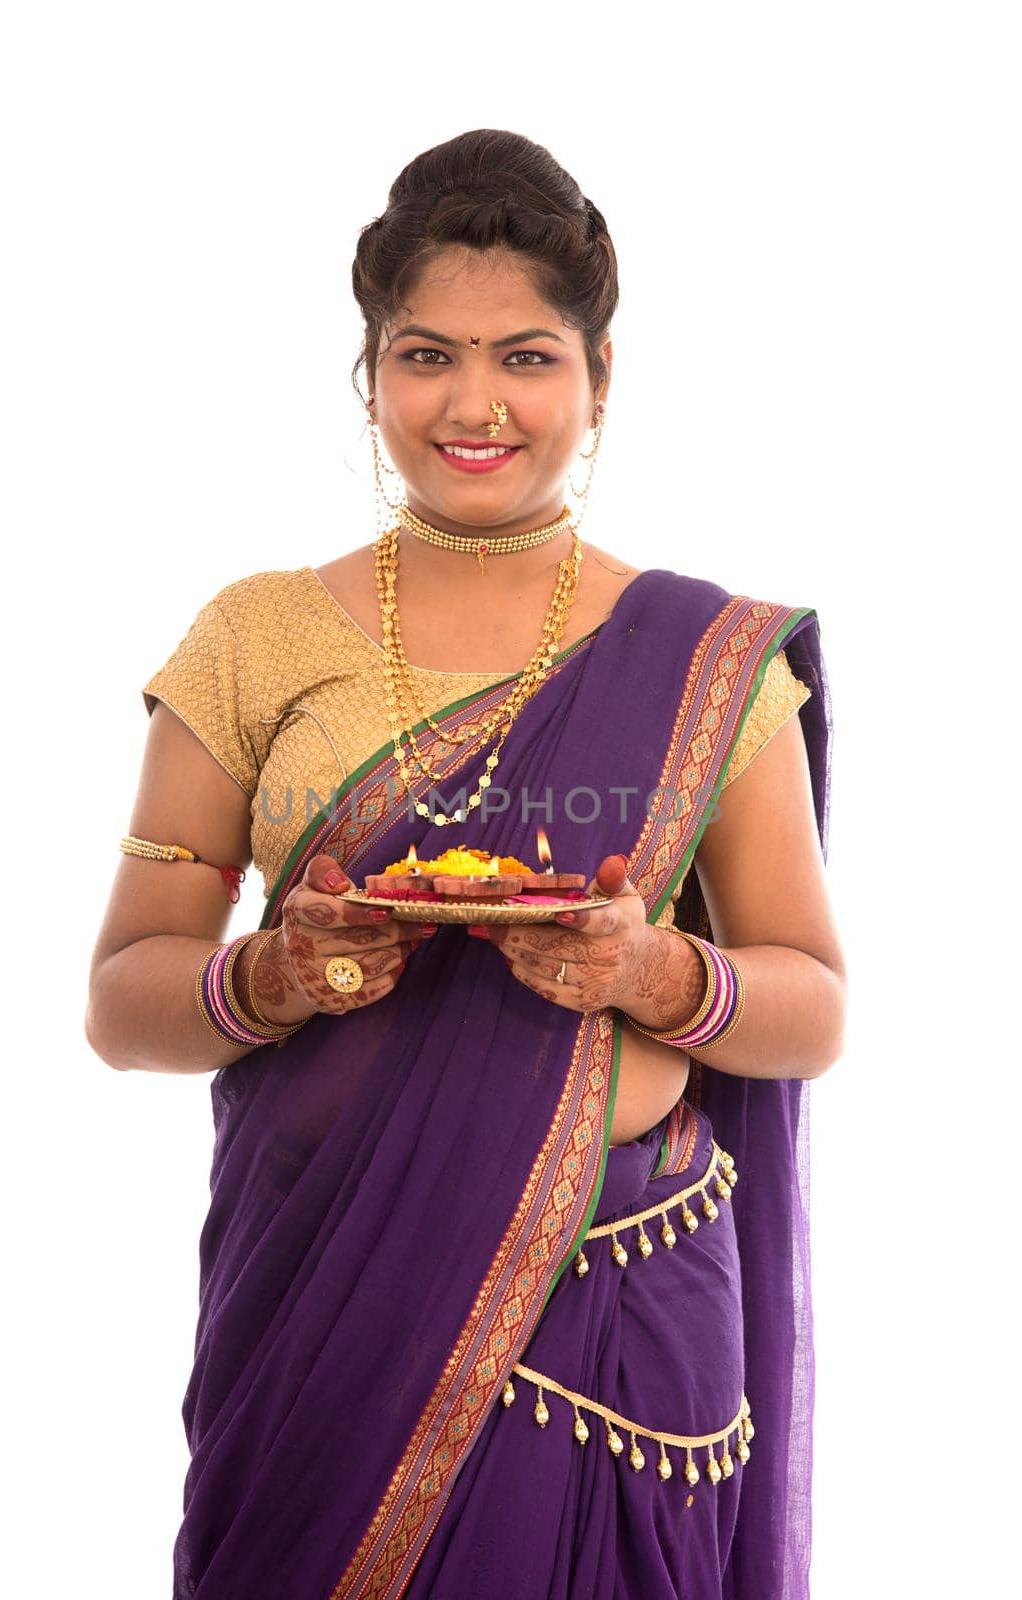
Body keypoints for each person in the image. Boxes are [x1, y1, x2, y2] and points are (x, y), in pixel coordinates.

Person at [85, 127, 846, 1600]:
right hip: (325, 1298)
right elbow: (125, 998)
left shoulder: (701, 659)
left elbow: (812, 998)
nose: (477, 404)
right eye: (428, 354)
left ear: (600, 378)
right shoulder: (256, 635)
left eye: (529, 358)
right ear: (369, 374)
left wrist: (658, 971)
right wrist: (272, 973)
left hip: (617, 1310)